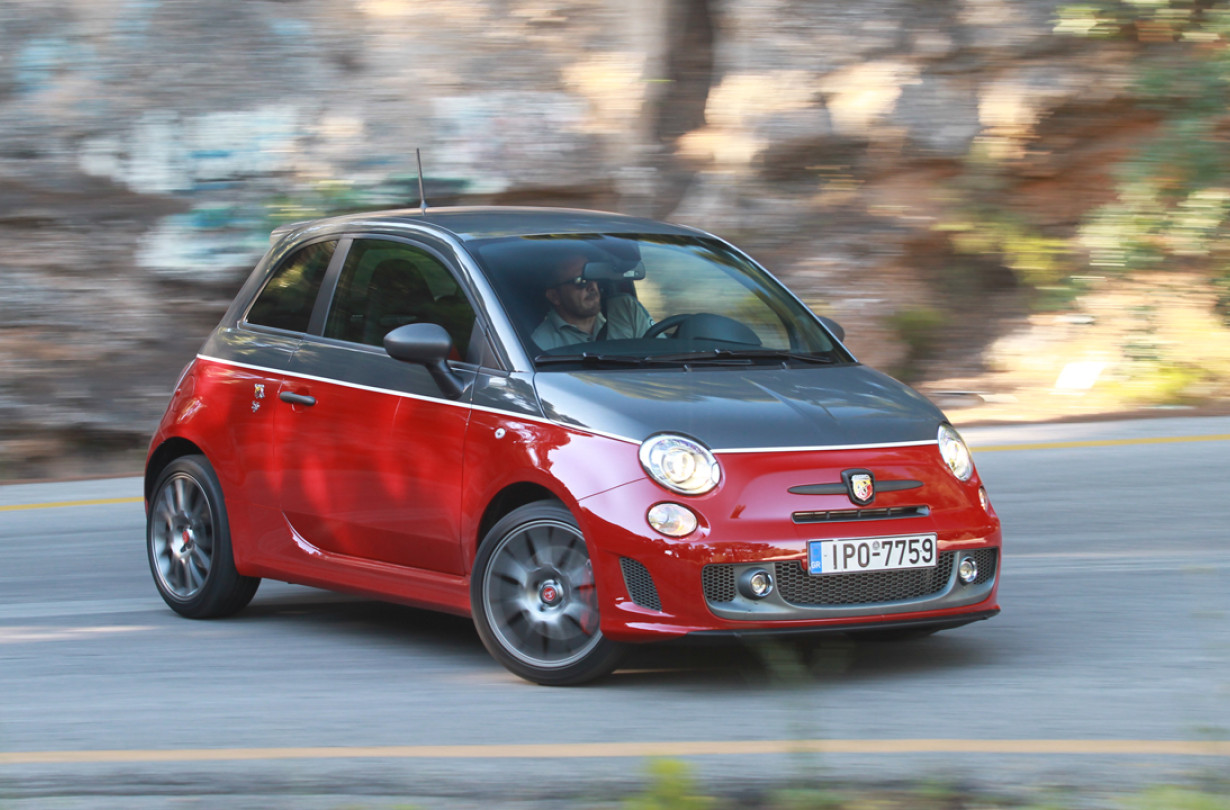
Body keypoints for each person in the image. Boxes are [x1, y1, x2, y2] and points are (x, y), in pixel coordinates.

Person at [531, 253, 653, 350]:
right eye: (580, 281)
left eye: (593, 277)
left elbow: (657, 349)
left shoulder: (626, 308)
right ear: (554, 296)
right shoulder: (541, 342)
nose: (592, 286)